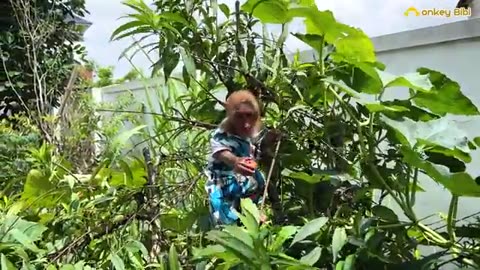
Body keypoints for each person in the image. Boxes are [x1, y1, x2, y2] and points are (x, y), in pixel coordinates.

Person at [204, 89, 267, 226]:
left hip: (245, 196)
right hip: (224, 194)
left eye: (249, 115)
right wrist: (236, 161)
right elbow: (221, 152)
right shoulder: (222, 135)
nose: (246, 124)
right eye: (239, 117)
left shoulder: (249, 133)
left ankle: (252, 215)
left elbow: (255, 150)